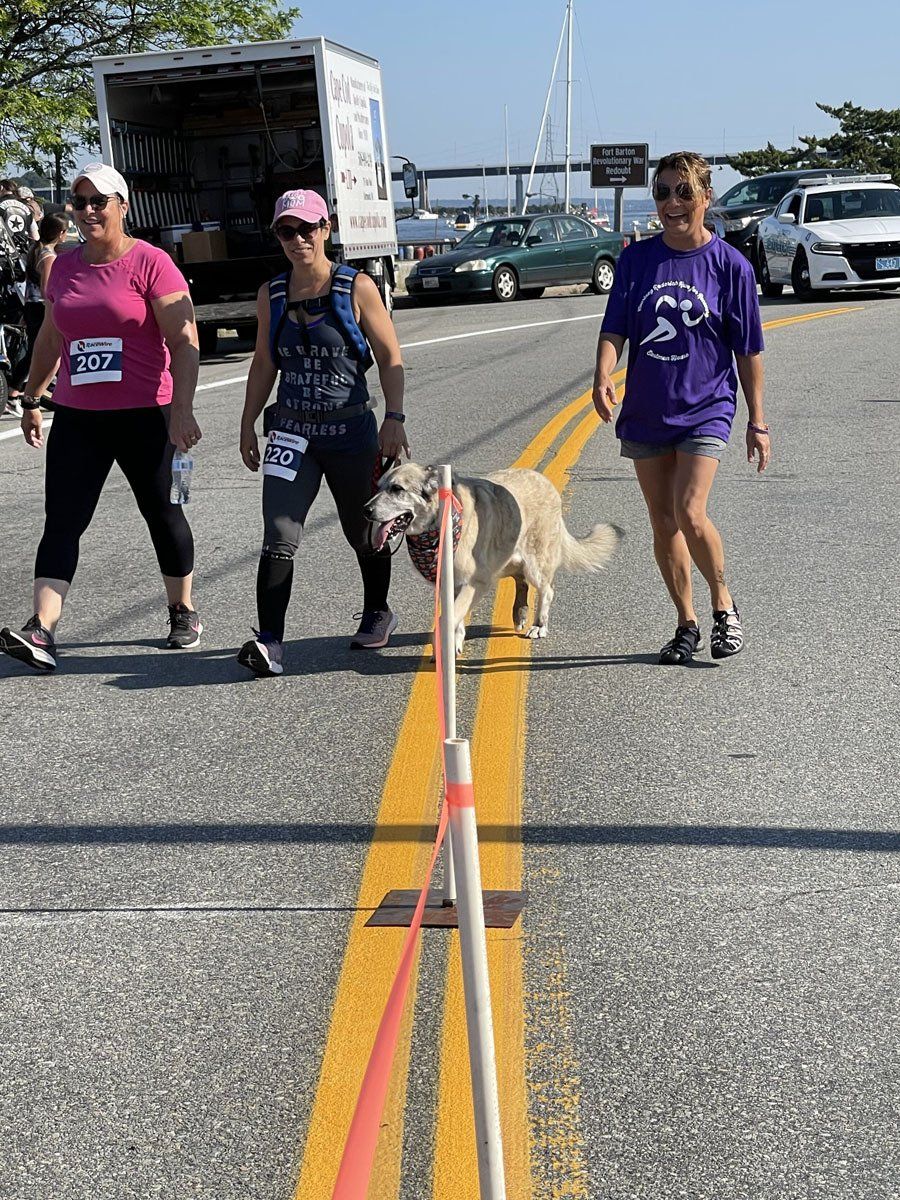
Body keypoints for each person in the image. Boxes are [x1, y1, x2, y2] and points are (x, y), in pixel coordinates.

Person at [0, 162, 203, 673]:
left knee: (163, 514)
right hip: (79, 417)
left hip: (146, 416)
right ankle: (41, 629)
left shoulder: (153, 264)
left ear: (122, 206)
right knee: (63, 521)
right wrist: (31, 398)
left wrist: (181, 410)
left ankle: (183, 610)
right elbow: (51, 336)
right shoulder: (63, 266)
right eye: (79, 201)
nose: (88, 211)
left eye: (99, 202)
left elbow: (184, 342)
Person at [593, 150, 768, 666]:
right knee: (663, 521)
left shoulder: (730, 266)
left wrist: (757, 420)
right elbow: (615, 328)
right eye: (664, 192)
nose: (672, 203)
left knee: (691, 512)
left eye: (683, 192)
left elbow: (748, 350)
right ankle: (686, 622)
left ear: (706, 198)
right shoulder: (635, 261)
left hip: (706, 406)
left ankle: (723, 606)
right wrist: (602, 373)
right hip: (647, 409)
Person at [238, 188, 408, 676]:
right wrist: (248, 422)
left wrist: (393, 418)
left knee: (366, 531)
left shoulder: (356, 288)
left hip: (351, 432)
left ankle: (378, 610)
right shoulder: (271, 294)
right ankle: (270, 641)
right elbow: (264, 362)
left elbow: (390, 357)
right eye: (286, 231)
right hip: (291, 434)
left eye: (306, 229)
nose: (297, 240)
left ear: (326, 229)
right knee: (279, 532)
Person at [11, 213, 68, 409]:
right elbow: (47, 288)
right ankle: (15, 390)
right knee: (44, 350)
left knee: (37, 349)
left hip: (32, 305)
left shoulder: (37, 249)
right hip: (42, 306)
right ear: (60, 233)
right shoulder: (49, 255)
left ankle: (16, 390)